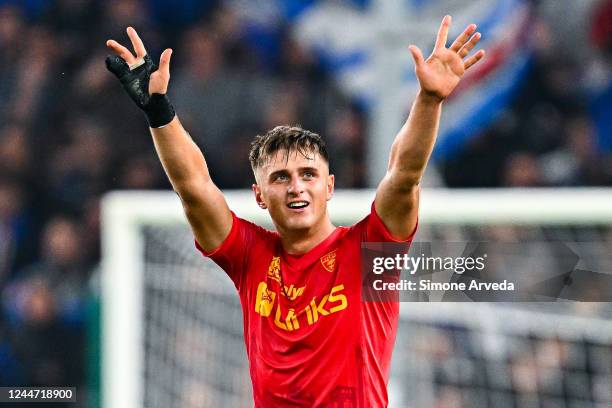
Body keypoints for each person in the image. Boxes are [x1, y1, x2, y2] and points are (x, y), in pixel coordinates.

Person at [105, 15, 484, 407]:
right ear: (259, 196)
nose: (297, 186)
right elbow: (195, 190)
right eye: (281, 178)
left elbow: (404, 174)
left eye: (308, 174)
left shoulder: (371, 251)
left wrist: (428, 100)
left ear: (330, 186)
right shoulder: (250, 257)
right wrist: (158, 111)